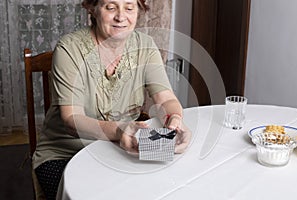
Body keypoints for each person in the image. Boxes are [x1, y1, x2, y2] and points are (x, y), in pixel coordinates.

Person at [32, 0, 191, 199]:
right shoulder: (69, 49)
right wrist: (119, 130)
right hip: (65, 152)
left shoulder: (145, 46)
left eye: (129, 7)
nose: (121, 16)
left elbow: (165, 98)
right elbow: (71, 120)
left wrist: (175, 119)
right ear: (92, 8)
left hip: (119, 149)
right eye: (111, 7)